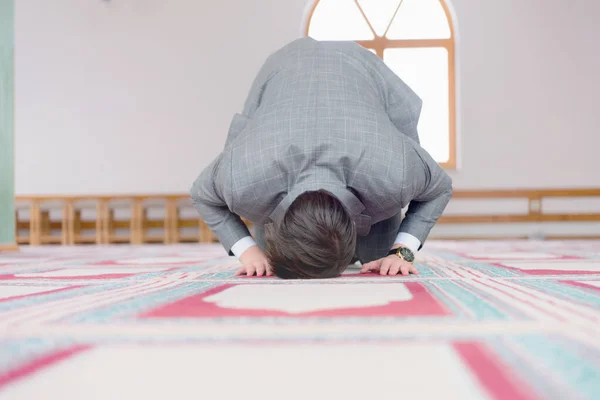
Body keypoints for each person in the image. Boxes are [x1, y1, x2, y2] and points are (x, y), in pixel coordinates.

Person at [190, 37, 453, 279]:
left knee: (381, 251)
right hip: (286, 69)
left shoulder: (395, 172)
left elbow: (439, 188)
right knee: (261, 263)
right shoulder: (244, 177)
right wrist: (247, 250)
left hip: (358, 70)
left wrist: (402, 252)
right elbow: (203, 194)